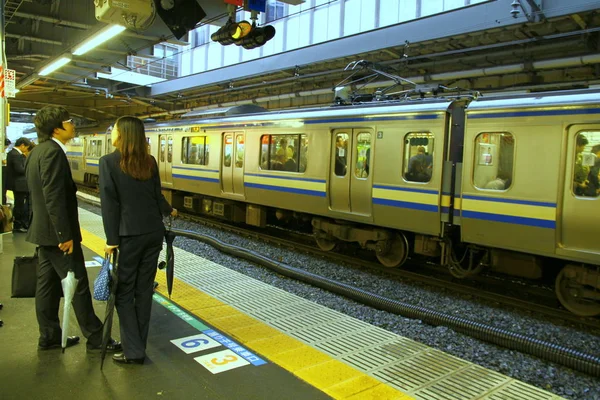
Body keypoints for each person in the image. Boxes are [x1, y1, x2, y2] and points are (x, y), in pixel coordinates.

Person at [26, 106, 122, 353]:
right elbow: (53, 197)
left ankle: (48, 335)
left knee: (46, 287)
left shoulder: (37, 152)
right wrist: (64, 236)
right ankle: (96, 337)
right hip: (58, 237)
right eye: (69, 121)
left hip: (44, 234)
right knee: (78, 283)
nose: (73, 124)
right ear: (57, 128)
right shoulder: (53, 154)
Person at [99, 116, 176, 365]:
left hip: (128, 236)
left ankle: (133, 351)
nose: (112, 132)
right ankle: (137, 345)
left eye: (114, 129)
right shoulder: (149, 162)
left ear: (122, 134)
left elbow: (110, 204)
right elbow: (156, 196)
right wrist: (169, 210)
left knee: (123, 292)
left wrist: (111, 239)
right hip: (153, 233)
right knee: (143, 291)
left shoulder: (109, 162)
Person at [6, 137, 32, 233]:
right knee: (19, 205)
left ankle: (19, 223)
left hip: (18, 184)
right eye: (26, 147)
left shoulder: (12, 153)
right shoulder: (16, 155)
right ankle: (17, 225)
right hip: (19, 184)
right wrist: (29, 168)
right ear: (22, 145)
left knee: (19, 204)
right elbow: (19, 169)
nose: (26, 150)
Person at [2, 138, 11, 205]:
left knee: (4, 189)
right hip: (3, 170)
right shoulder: (1, 151)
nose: (7, 147)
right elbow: (4, 161)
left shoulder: (4, 151)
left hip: (4, 170)